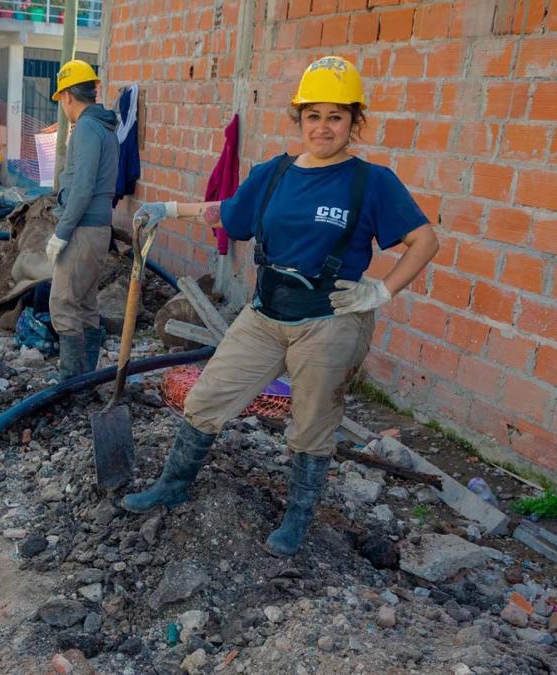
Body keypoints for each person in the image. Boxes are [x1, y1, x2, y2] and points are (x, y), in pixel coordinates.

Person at [123, 56, 439, 559]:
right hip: (265, 314)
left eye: (336, 116)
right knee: (208, 398)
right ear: (299, 120)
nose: (323, 127)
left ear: (354, 122)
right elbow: (227, 213)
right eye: (313, 115)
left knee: (312, 424)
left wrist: (381, 290)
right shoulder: (275, 174)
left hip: (330, 320)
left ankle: (297, 519)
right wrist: (167, 209)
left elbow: (424, 240)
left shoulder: (370, 183)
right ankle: (172, 485)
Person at [45, 60, 118, 380]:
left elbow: (83, 186)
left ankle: (70, 380)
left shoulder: (87, 128)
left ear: (67, 96)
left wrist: (62, 232)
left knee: (62, 303)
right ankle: (86, 379)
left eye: (61, 99)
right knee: (86, 303)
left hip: (83, 229)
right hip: (97, 228)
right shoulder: (104, 126)